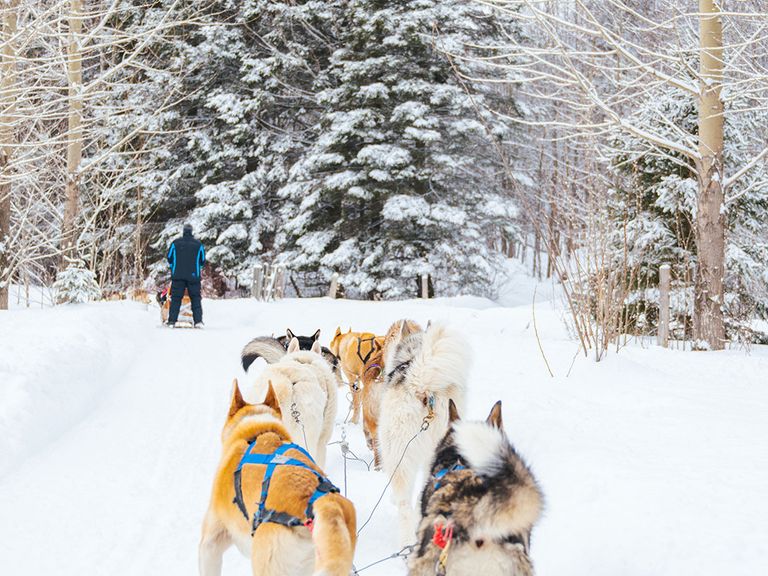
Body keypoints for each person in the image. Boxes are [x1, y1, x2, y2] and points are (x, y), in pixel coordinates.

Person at [166, 223, 205, 328]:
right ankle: (198, 321)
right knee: (195, 298)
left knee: (176, 299)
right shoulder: (198, 245)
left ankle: (172, 321)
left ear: (183, 231)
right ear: (191, 231)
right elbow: (202, 261)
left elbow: (169, 257)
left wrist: (174, 266)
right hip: (194, 276)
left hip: (178, 275)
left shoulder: (175, 243)